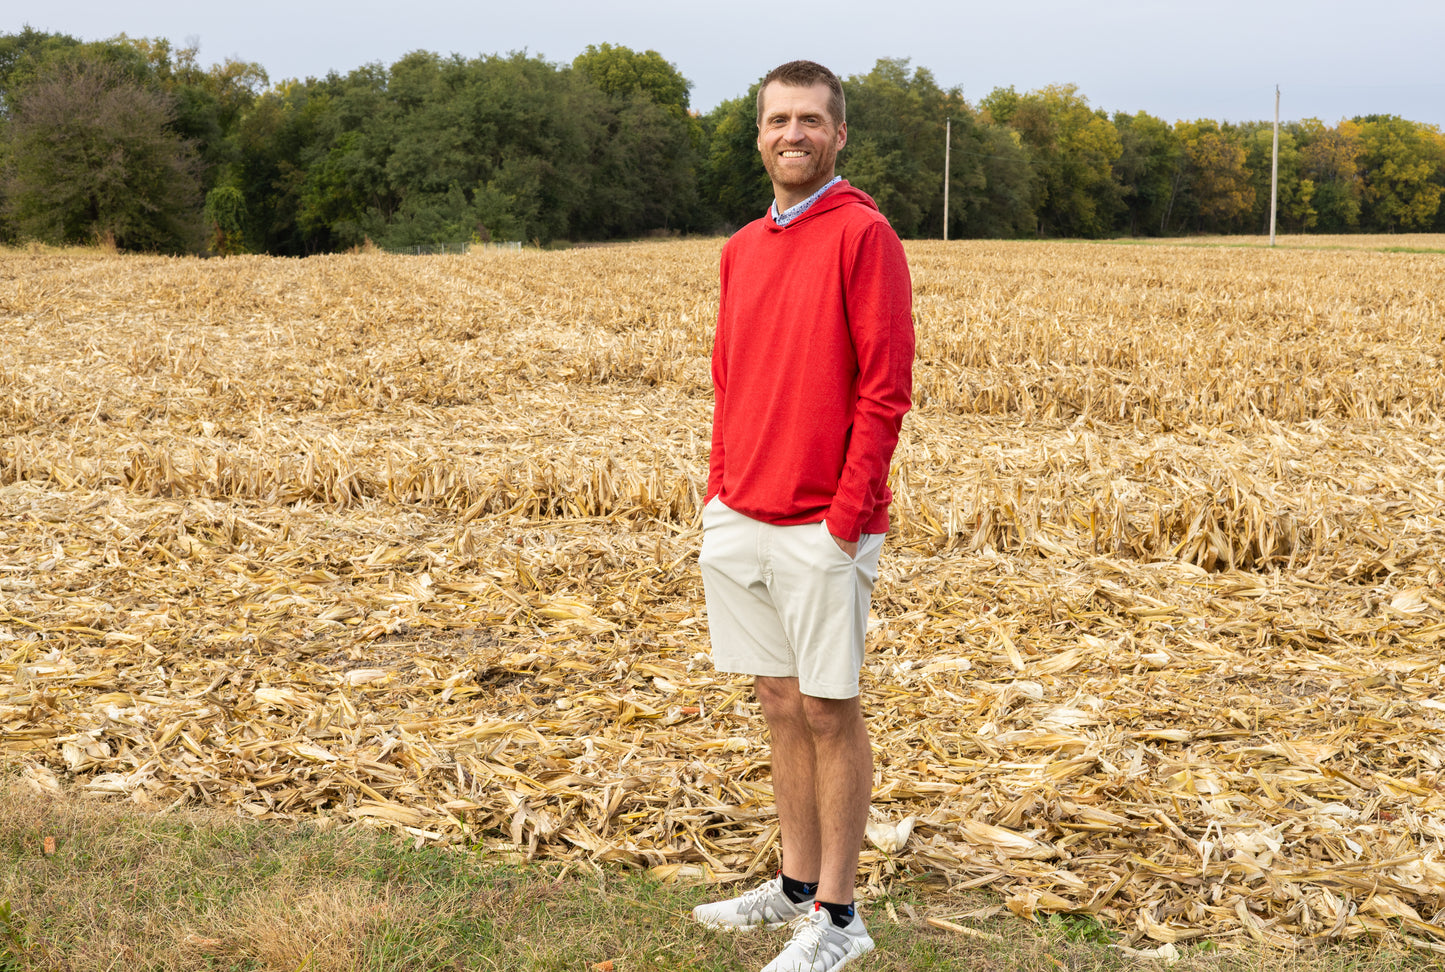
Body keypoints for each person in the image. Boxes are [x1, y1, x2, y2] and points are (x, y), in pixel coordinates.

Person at [690, 59, 915, 972]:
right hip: (739, 514)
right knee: (777, 701)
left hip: (823, 521)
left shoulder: (863, 236)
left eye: (811, 120)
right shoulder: (743, 246)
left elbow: (884, 391)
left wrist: (846, 516)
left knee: (828, 710)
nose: (793, 133)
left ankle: (839, 917)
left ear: (837, 135)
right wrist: (719, 489)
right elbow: (728, 379)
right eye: (778, 119)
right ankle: (789, 886)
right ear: (758, 134)